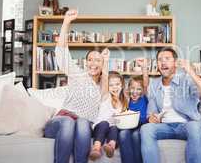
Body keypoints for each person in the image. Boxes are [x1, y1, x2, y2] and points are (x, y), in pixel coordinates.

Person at [44, 9, 110, 163]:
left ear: (102, 65)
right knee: (69, 122)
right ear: (86, 62)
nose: (93, 63)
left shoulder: (103, 85)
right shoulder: (77, 74)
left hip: (82, 126)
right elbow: (61, 53)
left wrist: (106, 62)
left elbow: (105, 93)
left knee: (82, 121)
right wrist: (66, 22)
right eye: (91, 59)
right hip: (61, 122)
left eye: (98, 60)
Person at [141, 47, 201, 163]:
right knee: (146, 128)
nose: (163, 62)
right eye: (160, 59)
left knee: (195, 126)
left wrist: (191, 72)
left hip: (186, 125)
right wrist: (151, 117)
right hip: (165, 127)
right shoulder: (154, 84)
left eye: (167, 58)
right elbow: (151, 112)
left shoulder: (186, 80)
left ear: (175, 63)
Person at [89, 71, 128, 161]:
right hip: (101, 126)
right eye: (111, 85)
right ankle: (96, 148)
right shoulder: (106, 97)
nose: (115, 87)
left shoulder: (124, 101)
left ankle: (111, 146)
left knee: (114, 127)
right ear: (107, 87)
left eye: (117, 84)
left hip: (113, 127)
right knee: (105, 123)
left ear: (122, 85)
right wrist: (106, 60)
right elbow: (104, 82)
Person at [118, 60, 149, 163]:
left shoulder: (143, 98)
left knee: (136, 136)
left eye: (139, 89)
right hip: (128, 125)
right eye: (133, 88)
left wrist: (144, 68)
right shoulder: (127, 99)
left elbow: (145, 84)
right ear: (128, 89)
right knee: (123, 134)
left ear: (143, 90)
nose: (135, 92)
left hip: (141, 125)